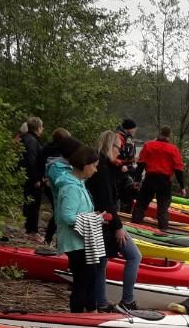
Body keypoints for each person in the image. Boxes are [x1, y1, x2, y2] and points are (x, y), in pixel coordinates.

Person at [86, 130, 142, 313]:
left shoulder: (105, 167)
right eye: (119, 147)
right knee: (134, 256)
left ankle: (101, 303)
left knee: (101, 263)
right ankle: (126, 300)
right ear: (110, 146)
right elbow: (105, 202)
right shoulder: (101, 168)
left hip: (102, 221)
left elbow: (114, 194)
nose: (121, 151)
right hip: (105, 222)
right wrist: (118, 227)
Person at [53, 145, 105, 313]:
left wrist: (93, 215)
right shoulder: (71, 187)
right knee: (82, 281)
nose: (95, 170)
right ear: (85, 164)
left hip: (83, 241)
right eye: (94, 166)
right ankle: (78, 315)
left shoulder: (79, 184)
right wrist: (93, 218)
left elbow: (79, 212)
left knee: (91, 278)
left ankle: (91, 310)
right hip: (75, 243)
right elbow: (67, 216)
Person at [131, 127, 186, 231]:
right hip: (165, 181)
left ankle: (135, 227)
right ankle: (163, 230)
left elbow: (141, 164)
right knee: (163, 208)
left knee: (141, 204)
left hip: (150, 178)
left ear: (159, 133)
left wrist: (137, 180)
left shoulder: (149, 145)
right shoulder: (173, 149)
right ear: (169, 135)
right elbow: (178, 169)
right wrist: (182, 186)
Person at [38, 128, 73, 246]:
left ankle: (49, 239)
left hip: (47, 182)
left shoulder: (46, 148)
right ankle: (55, 240)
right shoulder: (61, 152)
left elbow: (39, 162)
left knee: (57, 211)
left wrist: (41, 177)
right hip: (55, 182)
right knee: (59, 211)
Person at [19, 116, 45, 239]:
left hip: (24, 176)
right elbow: (31, 161)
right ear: (38, 128)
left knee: (29, 203)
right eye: (42, 127)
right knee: (34, 204)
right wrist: (36, 179)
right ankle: (32, 231)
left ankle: (28, 229)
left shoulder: (23, 138)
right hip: (32, 178)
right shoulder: (32, 141)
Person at [114, 118, 139, 212]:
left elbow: (127, 156)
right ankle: (120, 212)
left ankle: (125, 211)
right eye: (134, 129)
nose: (135, 131)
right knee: (121, 192)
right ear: (129, 128)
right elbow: (113, 155)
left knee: (129, 191)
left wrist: (133, 160)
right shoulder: (118, 137)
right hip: (118, 171)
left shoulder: (127, 138)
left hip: (125, 169)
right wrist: (121, 165)